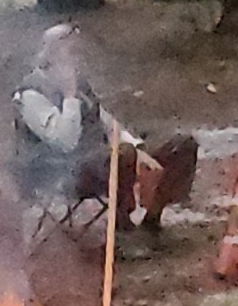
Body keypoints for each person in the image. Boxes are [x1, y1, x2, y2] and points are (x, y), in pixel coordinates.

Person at [13, 24, 198, 236]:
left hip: (98, 160)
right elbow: (65, 143)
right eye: (72, 53)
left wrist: (139, 149)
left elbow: (107, 123)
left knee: (180, 145)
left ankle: (151, 220)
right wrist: (69, 97)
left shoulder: (79, 83)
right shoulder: (31, 94)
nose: (78, 59)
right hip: (60, 171)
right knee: (122, 156)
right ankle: (122, 229)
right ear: (50, 55)